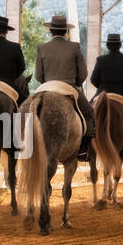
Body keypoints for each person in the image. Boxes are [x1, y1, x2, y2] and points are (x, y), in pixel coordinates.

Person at [35, 16, 95, 161]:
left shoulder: (42, 48)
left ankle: (23, 148)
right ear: (66, 32)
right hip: (69, 87)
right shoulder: (74, 47)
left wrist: (48, 83)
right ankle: (83, 150)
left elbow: (38, 75)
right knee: (89, 113)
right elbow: (83, 73)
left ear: (50, 30)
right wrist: (76, 83)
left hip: (46, 87)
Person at [90, 33, 123, 158]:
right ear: (119, 45)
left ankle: (84, 147)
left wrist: (102, 89)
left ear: (108, 46)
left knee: (86, 114)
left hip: (102, 94)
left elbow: (93, 79)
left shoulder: (101, 60)